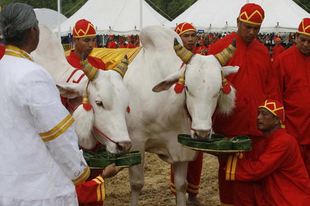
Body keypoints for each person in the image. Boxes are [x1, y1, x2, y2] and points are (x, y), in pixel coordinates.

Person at [0, 3, 90, 205]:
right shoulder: (33, 73)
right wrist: (80, 170)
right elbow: (57, 133)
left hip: (8, 183)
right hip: (39, 189)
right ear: (33, 32)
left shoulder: (3, 67)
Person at [208, 3, 280, 205]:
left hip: (258, 125)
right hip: (230, 124)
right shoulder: (219, 48)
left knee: (257, 168)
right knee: (229, 172)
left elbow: (271, 87)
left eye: (256, 28)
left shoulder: (263, 52)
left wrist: (274, 119)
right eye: (247, 26)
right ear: (238, 22)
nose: (251, 32)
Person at [66, 19, 124, 206]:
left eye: (93, 40)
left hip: (98, 128)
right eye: (86, 40)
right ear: (75, 40)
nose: (91, 44)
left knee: (96, 174)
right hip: (74, 129)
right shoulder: (66, 63)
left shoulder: (98, 63)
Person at [224, 99, 310, 206]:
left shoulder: (284, 141)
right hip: (272, 191)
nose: (259, 117)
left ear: (276, 120)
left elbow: (258, 169)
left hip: (289, 198)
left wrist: (227, 159)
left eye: (264, 114)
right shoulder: (266, 140)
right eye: (258, 113)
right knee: (243, 188)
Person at [170, 22, 204, 206]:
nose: (190, 40)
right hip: (177, 115)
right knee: (178, 154)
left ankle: (193, 194)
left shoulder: (201, 59)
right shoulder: (171, 60)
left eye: (193, 36)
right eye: (186, 36)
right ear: (178, 38)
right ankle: (178, 193)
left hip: (196, 114)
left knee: (196, 156)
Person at [273, 17, 310, 177]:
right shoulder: (283, 60)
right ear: (295, 37)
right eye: (303, 40)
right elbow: (276, 94)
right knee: (292, 173)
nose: (306, 45)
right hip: (292, 128)